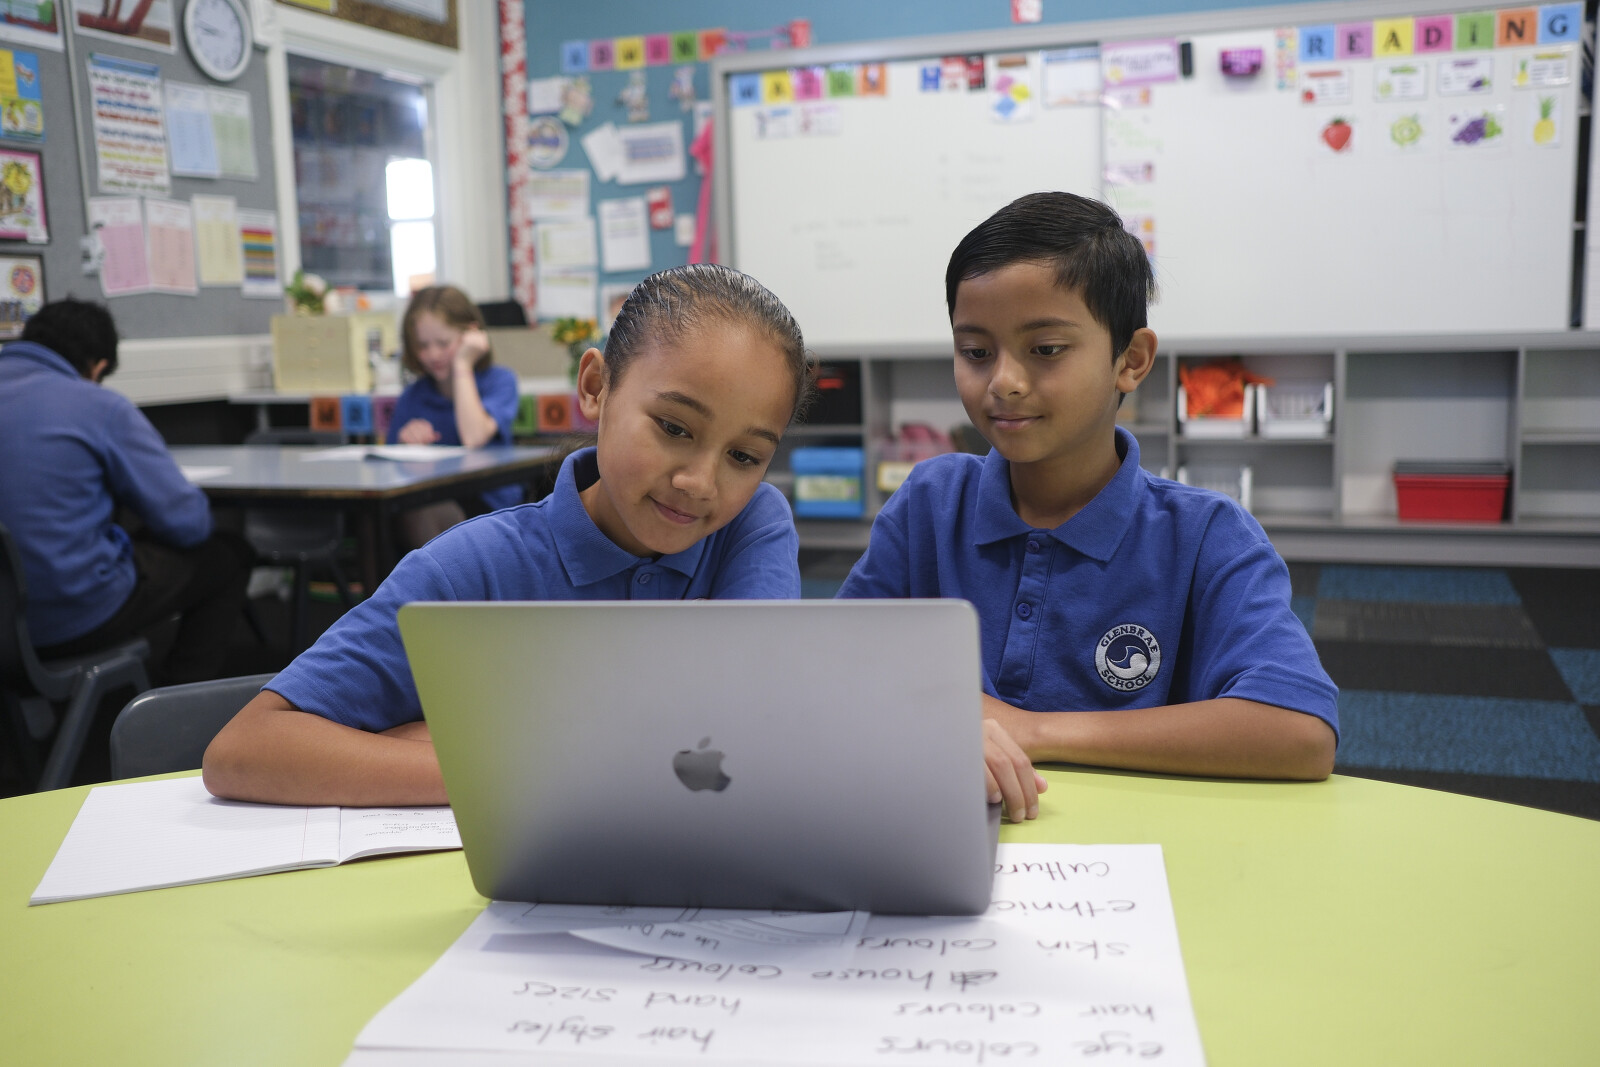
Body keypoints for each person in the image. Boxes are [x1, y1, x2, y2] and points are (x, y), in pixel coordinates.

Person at [203, 264, 812, 806]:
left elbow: (755, 726)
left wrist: (472, 738)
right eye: (674, 427)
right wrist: (509, 767)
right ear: (595, 388)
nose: (700, 483)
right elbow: (246, 749)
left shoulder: (750, 526)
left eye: (744, 456)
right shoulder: (471, 569)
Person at [838, 192, 1339, 823]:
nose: (1004, 382)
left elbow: (1300, 731)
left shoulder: (1207, 535)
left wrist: (1034, 730)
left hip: (1144, 851)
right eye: (976, 352)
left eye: (1046, 349)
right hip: (954, 837)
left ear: (1131, 361)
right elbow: (832, 675)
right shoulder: (930, 504)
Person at [0, 297, 254, 685]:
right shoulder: (98, 406)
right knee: (228, 555)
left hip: (6, 621)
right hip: (65, 620)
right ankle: (177, 701)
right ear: (97, 367)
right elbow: (188, 525)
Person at [388, 285, 523, 548]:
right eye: (422, 345)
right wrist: (405, 444)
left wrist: (462, 363)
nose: (433, 355)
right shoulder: (412, 397)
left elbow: (474, 436)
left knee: (423, 511)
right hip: (430, 498)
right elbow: (388, 474)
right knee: (391, 514)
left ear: (470, 335)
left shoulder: (500, 381)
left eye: (443, 343)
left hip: (490, 511)